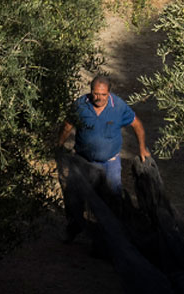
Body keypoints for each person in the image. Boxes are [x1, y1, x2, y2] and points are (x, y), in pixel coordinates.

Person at [58, 76, 148, 241]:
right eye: (95, 93)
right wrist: (59, 145)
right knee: (74, 198)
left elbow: (137, 125)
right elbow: (67, 126)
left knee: (113, 198)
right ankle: (73, 228)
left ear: (109, 93)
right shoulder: (80, 105)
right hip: (82, 161)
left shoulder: (119, 107)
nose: (99, 98)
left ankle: (112, 235)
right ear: (91, 91)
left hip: (110, 163)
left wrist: (142, 148)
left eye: (103, 94)